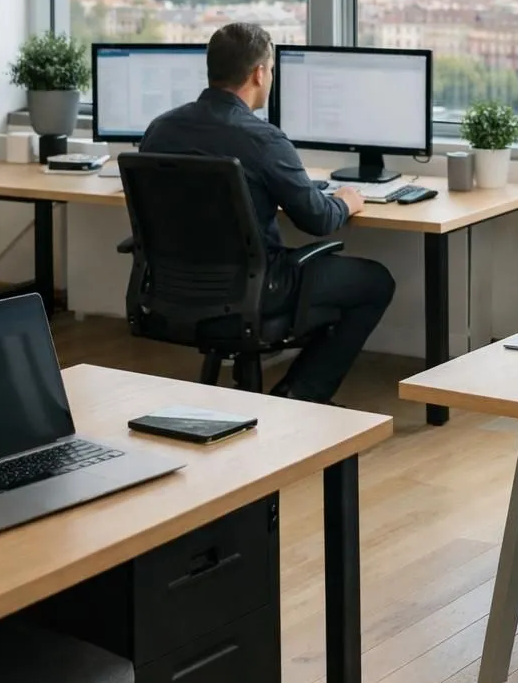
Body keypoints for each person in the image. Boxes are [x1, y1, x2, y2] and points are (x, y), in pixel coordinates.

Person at [138, 22, 396, 404]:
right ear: (259, 73)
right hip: (257, 288)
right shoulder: (262, 139)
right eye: (271, 69)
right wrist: (346, 201)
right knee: (375, 281)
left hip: (174, 287)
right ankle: (299, 394)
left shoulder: (159, 130)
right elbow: (317, 220)